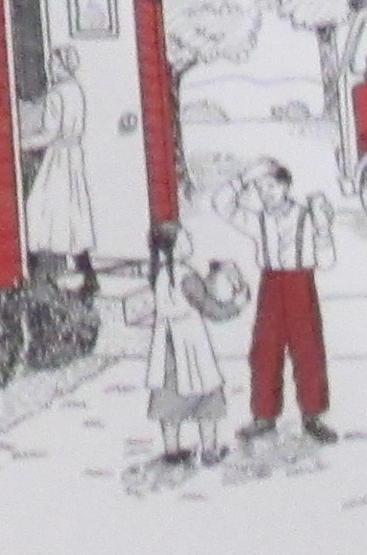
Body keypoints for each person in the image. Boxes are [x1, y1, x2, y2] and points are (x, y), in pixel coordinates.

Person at [238, 159, 338, 443]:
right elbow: (222, 204)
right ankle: (264, 415)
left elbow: (327, 261)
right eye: (260, 188)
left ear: (285, 186)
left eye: (271, 186)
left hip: (300, 283)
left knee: (307, 349)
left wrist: (323, 229)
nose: (265, 193)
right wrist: (246, 176)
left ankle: (313, 416)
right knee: (264, 349)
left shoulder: (308, 215)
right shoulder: (258, 219)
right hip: (270, 283)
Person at [135, 247, 246, 471]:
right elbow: (210, 307)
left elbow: (195, 295)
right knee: (207, 398)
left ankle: (172, 451)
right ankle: (209, 450)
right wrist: (238, 302)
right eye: (184, 236)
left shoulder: (162, 272)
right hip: (190, 343)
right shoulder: (186, 275)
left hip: (167, 343)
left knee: (168, 398)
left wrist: (212, 276)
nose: (189, 240)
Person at [17, 47, 100, 292]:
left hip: (58, 157)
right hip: (74, 156)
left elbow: (49, 134)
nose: (49, 69)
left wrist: (20, 143)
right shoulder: (76, 90)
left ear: (63, 66)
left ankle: (36, 275)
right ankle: (88, 274)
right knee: (74, 213)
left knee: (39, 211)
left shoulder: (56, 93)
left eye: (53, 65)